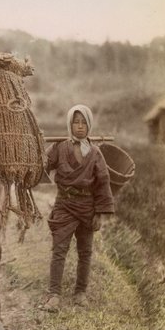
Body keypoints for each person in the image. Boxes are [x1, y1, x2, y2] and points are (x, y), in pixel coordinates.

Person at [41, 104, 114, 312]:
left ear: (89, 125)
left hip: (87, 208)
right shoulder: (58, 148)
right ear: (70, 124)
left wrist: (100, 213)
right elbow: (43, 165)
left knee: (85, 252)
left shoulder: (95, 153)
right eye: (76, 122)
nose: (80, 127)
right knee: (59, 251)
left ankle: (80, 292)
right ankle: (54, 295)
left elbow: (103, 182)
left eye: (84, 123)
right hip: (64, 205)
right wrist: (37, 150)